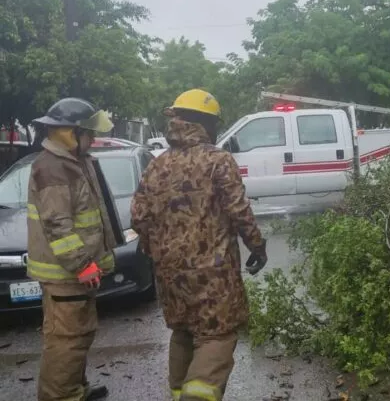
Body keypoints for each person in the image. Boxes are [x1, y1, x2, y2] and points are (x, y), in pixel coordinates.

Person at [131, 89, 268, 401]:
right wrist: (257, 247)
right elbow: (238, 211)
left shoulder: (158, 164)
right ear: (207, 123)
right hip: (213, 276)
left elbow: (139, 217)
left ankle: (179, 394)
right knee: (216, 335)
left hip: (170, 276)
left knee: (183, 332)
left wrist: (162, 251)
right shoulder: (218, 160)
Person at [27, 97, 118, 401]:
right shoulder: (51, 168)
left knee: (79, 335)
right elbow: (58, 225)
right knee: (66, 340)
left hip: (74, 273)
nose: (93, 139)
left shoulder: (74, 161)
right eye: (89, 133)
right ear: (70, 133)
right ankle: (60, 397)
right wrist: (82, 264)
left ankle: (76, 389)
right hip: (65, 274)